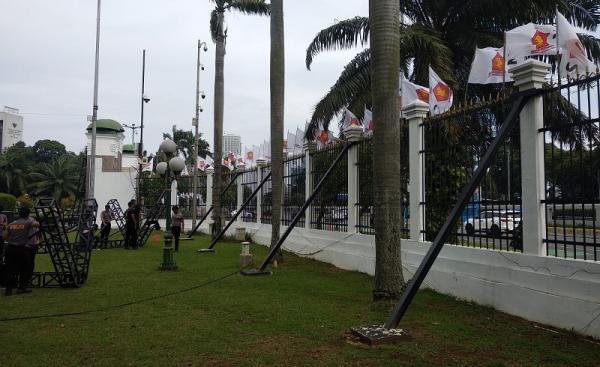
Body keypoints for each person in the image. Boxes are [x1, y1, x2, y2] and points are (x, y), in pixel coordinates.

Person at [3, 206, 40, 296]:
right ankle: (22, 288)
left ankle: (8, 290)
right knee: (25, 268)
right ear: (28, 214)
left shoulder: (11, 224)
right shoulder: (29, 221)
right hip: (21, 248)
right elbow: (38, 225)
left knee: (10, 269)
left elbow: (5, 237)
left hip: (10, 248)